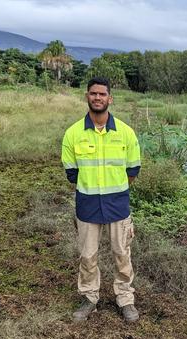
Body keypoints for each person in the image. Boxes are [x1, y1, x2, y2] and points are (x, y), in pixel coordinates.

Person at [61, 77, 141, 323]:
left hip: (118, 205)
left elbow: (133, 171)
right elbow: (72, 173)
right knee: (88, 255)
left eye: (102, 94)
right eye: (93, 94)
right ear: (87, 96)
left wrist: (112, 190)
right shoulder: (73, 133)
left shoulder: (125, 133)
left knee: (122, 254)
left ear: (110, 98)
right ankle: (89, 297)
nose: (98, 98)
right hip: (87, 206)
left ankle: (125, 299)